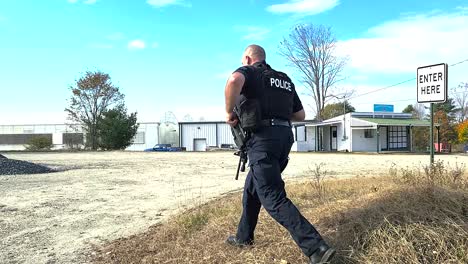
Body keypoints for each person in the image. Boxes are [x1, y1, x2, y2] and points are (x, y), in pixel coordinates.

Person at [224, 44, 335, 264]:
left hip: (262, 141)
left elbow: (233, 81)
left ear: (247, 58)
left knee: (272, 196)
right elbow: (301, 115)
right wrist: (278, 116)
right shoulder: (284, 79)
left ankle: (317, 248)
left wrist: (229, 112)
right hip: (284, 138)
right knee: (252, 189)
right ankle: (243, 238)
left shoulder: (251, 72)